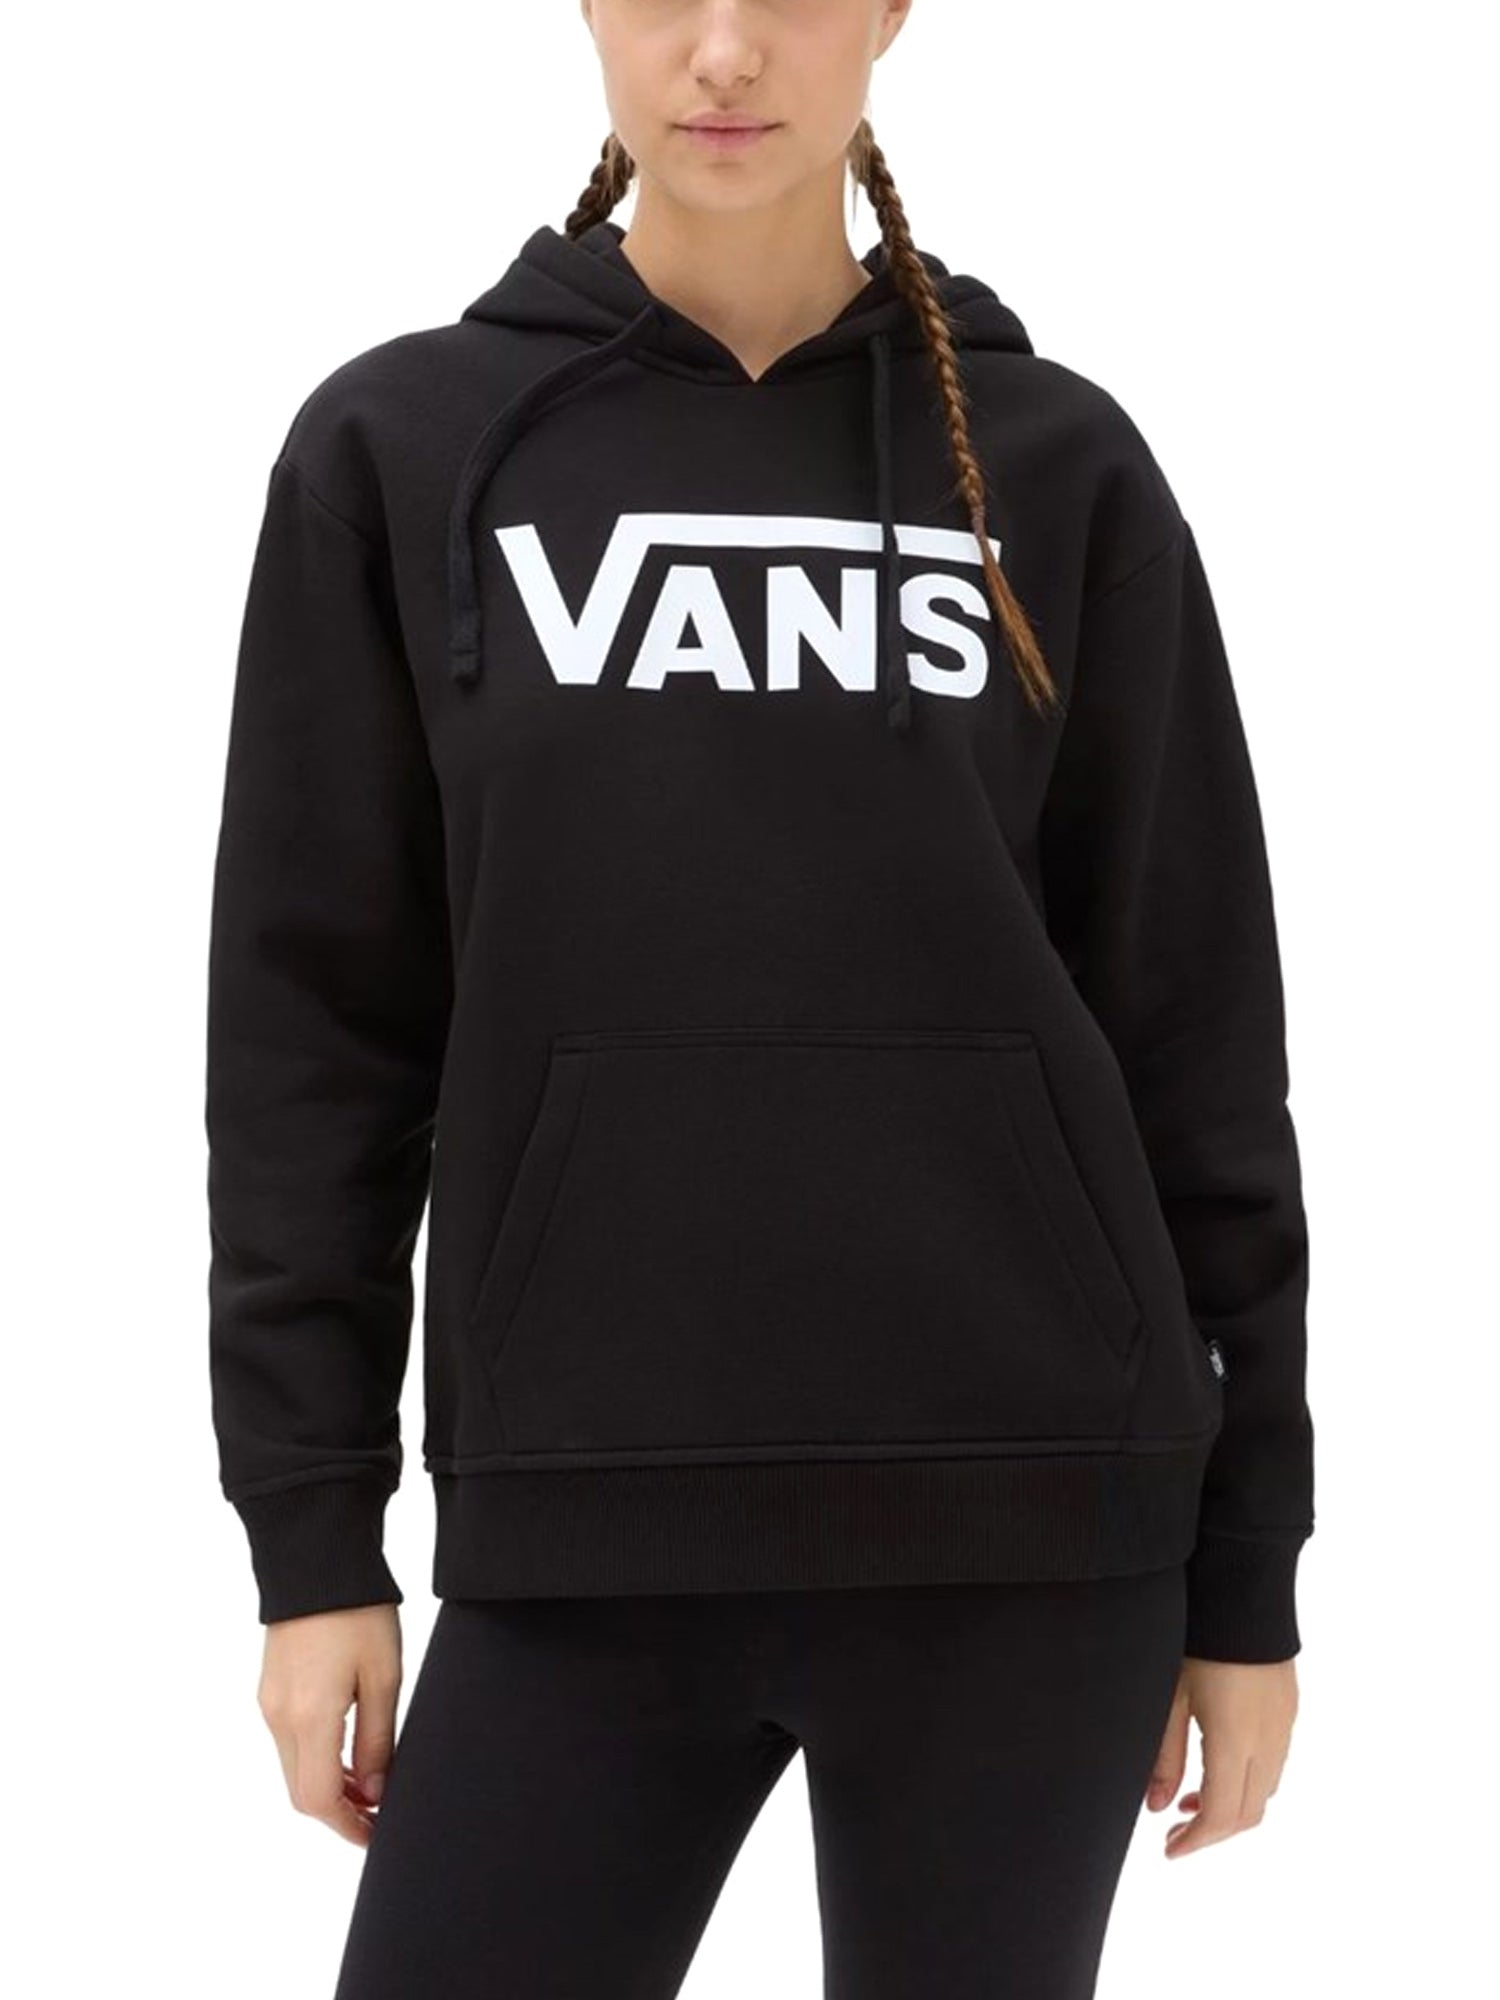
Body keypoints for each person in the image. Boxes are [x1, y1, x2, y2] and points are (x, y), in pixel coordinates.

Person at [204, 3, 1316, 1994]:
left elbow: (1198, 1032)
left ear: (889, 13)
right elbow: (313, 1046)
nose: (725, 52)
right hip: (581, 1526)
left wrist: (1250, 1572)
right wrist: (313, 1540)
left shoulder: (1054, 464)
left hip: (1034, 1529)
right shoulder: (402, 451)